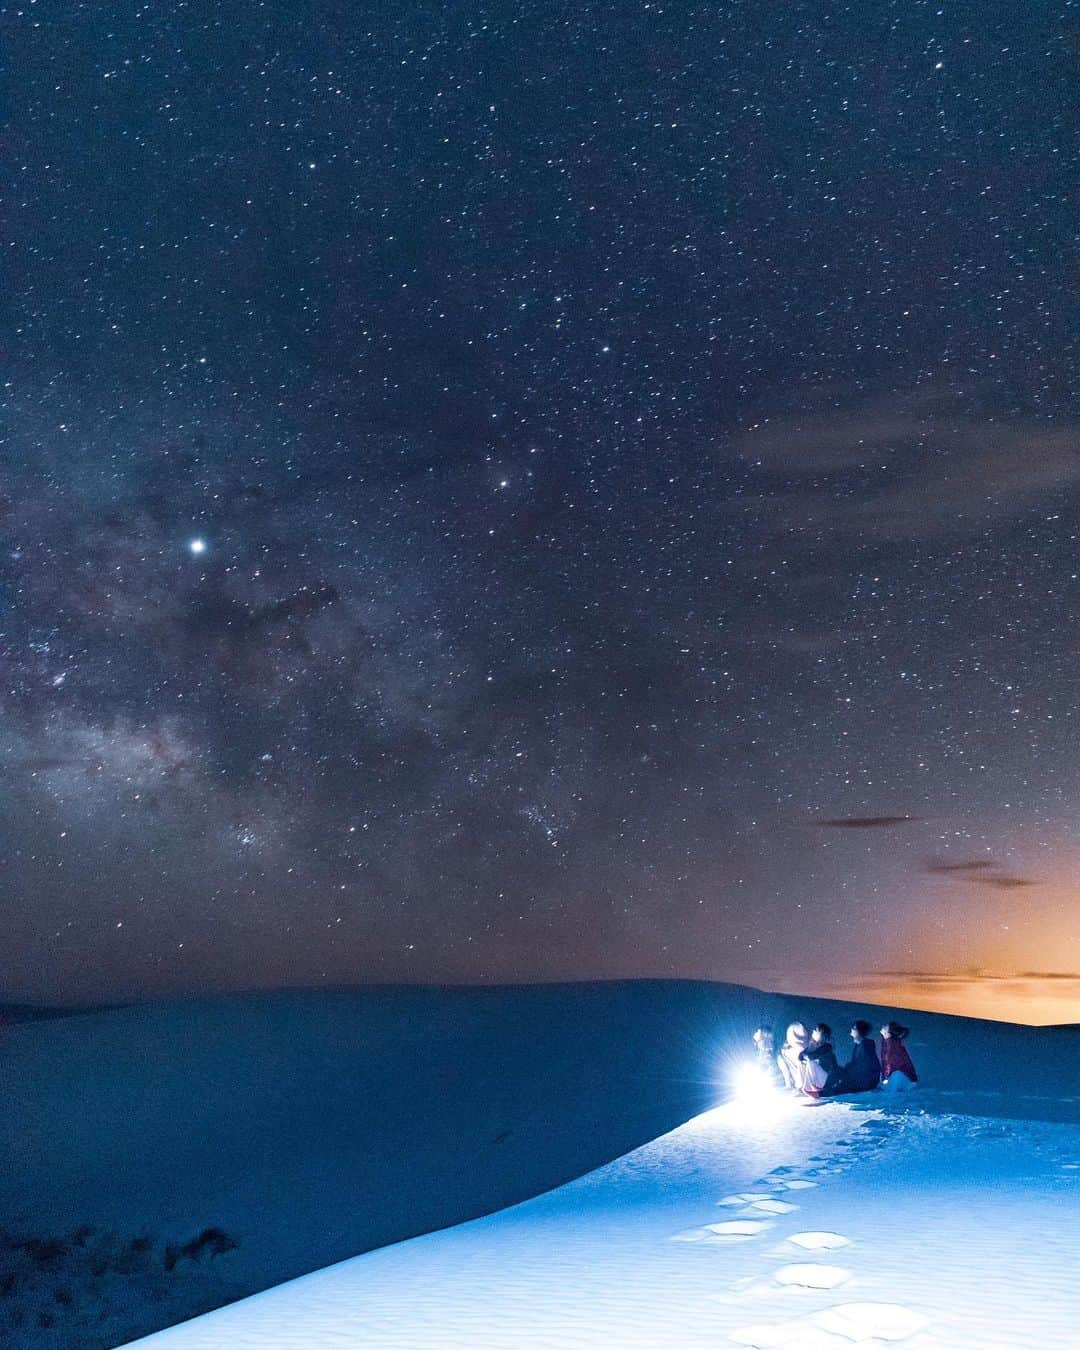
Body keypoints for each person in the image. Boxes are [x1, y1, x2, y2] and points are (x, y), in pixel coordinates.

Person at [799, 1023, 843, 1097]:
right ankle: (804, 1086)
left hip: (826, 1078)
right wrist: (810, 1048)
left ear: (823, 1035)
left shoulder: (827, 1047)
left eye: (816, 1030)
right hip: (819, 1077)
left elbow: (810, 1057)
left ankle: (809, 1088)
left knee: (811, 1062)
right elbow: (800, 1057)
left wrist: (809, 1051)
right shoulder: (814, 1045)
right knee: (802, 1063)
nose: (813, 1031)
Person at [843, 1019, 882, 1093]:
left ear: (859, 1031)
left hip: (865, 1082)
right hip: (862, 1080)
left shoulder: (866, 1045)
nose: (851, 1029)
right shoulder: (859, 1045)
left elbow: (866, 1065)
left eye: (854, 1028)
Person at [879, 1021, 919, 1091]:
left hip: (900, 1077)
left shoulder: (892, 1044)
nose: (883, 1026)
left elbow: (891, 1062)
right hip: (902, 1077)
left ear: (888, 1032)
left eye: (885, 1026)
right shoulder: (888, 1042)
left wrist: (886, 1078)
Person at [777, 1022, 811, 1093]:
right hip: (797, 1089)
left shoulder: (808, 1053)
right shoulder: (783, 1055)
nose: (802, 1041)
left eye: (804, 1038)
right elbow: (786, 1075)